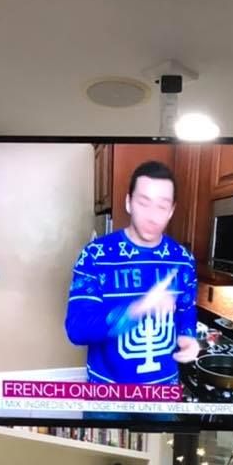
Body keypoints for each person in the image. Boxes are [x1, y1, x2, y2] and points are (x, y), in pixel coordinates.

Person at [64, 161, 199, 388]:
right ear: (129, 203)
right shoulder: (95, 256)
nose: (152, 216)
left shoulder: (183, 260)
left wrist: (187, 336)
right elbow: (77, 329)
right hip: (107, 392)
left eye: (162, 206)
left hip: (163, 392)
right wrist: (137, 309)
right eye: (143, 203)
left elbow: (186, 310)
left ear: (172, 210)